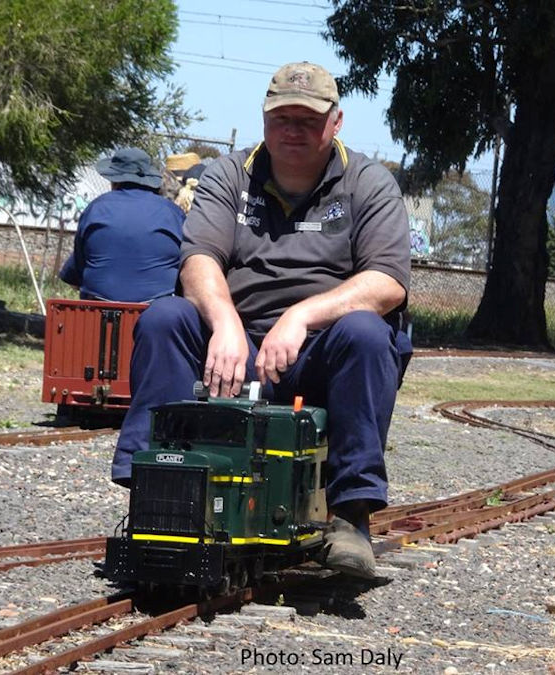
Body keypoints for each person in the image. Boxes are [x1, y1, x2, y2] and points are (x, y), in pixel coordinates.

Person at [111, 62, 412, 579]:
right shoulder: (229, 174)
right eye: (281, 118)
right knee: (166, 318)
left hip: (319, 352)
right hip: (235, 349)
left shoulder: (368, 183)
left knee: (368, 331)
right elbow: (199, 257)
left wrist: (301, 316)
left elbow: (387, 281)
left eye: (307, 119)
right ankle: (154, 495)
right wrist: (225, 321)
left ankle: (351, 517)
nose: (292, 130)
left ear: (335, 122)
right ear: (265, 119)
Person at [59, 147, 185, 302]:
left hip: (95, 319)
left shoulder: (95, 209)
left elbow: (75, 277)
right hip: (156, 319)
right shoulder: (173, 214)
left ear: (114, 180)